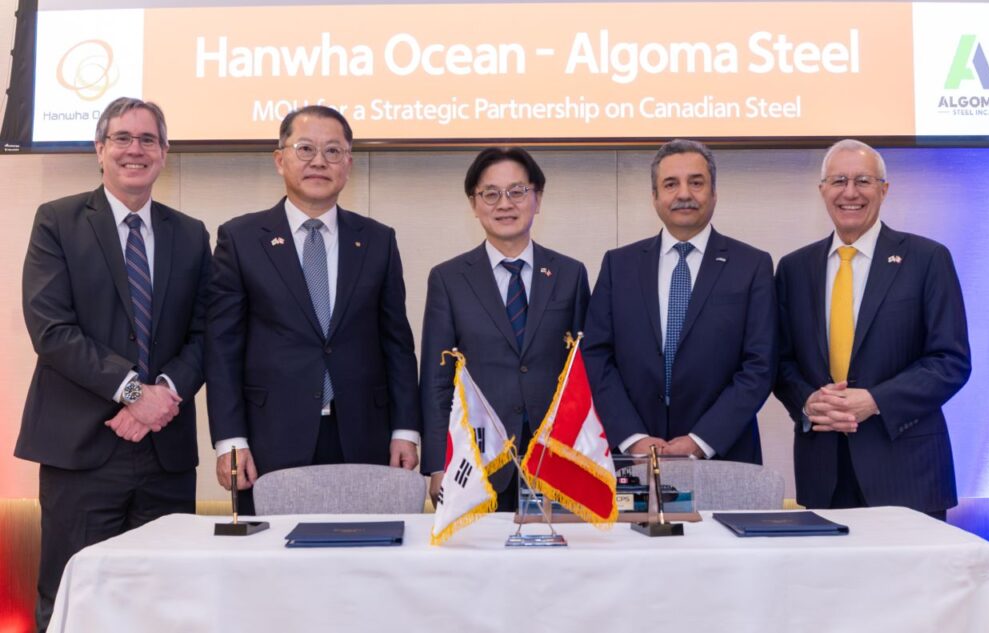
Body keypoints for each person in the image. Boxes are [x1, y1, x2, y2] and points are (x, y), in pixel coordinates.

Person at [17, 97, 209, 632]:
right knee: (76, 599)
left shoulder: (191, 233)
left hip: (165, 454)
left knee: (168, 604)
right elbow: (51, 329)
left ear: (164, 153)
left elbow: (206, 333)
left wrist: (163, 394)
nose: (135, 150)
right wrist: (133, 393)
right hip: (81, 451)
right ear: (99, 149)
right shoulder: (57, 220)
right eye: (122, 138)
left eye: (148, 140)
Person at [205, 105, 420, 514]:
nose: (319, 161)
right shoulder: (242, 238)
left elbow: (397, 345)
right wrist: (230, 440)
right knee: (273, 553)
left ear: (348, 164)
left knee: (366, 549)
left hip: (364, 434)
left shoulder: (377, 240)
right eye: (305, 149)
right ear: (279, 159)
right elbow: (222, 348)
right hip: (271, 438)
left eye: (333, 151)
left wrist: (405, 430)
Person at [774, 139, 970, 519]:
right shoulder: (794, 268)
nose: (850, 193)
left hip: (908, 472)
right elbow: (780, 362)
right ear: (822, 190)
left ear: (884, 189)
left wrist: (875, 400)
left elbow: (951, 361)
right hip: (823, 474)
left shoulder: (927, 259)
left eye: (863, 181)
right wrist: (808, 402)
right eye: (839, 181)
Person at [582, 139, 775, 462]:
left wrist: (703, 440)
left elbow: (760, 364)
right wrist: (632, 437)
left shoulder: (752, 265)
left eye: (696, 183)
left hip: (724, 455)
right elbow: (596, 355)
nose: (684, 194)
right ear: (655, 197)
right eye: (671, 184)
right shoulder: (619, 265)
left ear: (714, 193)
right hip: (635, 456)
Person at [420, 147, 590, 510]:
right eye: (490, 194)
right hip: (478, 458)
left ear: (537, 198)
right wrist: (436, 463)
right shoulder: (449, 279)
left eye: (517, 191)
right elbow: (436, 380)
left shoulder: (570, 274)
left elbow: (584, 371)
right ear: (474, 204)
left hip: (555, 455)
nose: (504, 204)